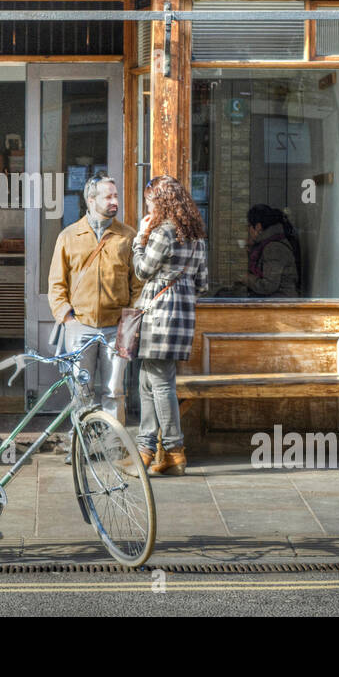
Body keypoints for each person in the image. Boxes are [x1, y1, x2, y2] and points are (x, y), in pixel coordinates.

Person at [47, 172, 142, 422]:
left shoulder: (128, 236)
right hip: (80, 326)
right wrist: (67, 319)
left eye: (116, 195)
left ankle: (113, 448)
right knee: (81, 392)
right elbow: (56, 283)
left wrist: (130, 322)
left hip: (116, 328)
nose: (115, 201)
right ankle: (80, 448)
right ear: (91, 200)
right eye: (108, 196)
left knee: (114, 392)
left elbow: (138, 285)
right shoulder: (69, 236)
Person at [131, 175, 209, 476]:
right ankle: (146, 449)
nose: (148, 205)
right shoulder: (196, 236)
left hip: (159, 312)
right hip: (183, 312)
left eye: (150, 200)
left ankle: (174, 452)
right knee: (148, 378)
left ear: (160, 202)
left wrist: (140, 239)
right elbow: (202, 283)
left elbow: (142, 270)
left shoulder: (163, 232)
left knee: (160, 381)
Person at [245, 204, 301, 298]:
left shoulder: (273, 248)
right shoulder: (269, 244)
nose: (248, 230)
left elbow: (268, 286)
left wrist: (246, 278)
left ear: (258, 227)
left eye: (249, 226)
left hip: (280, 305)